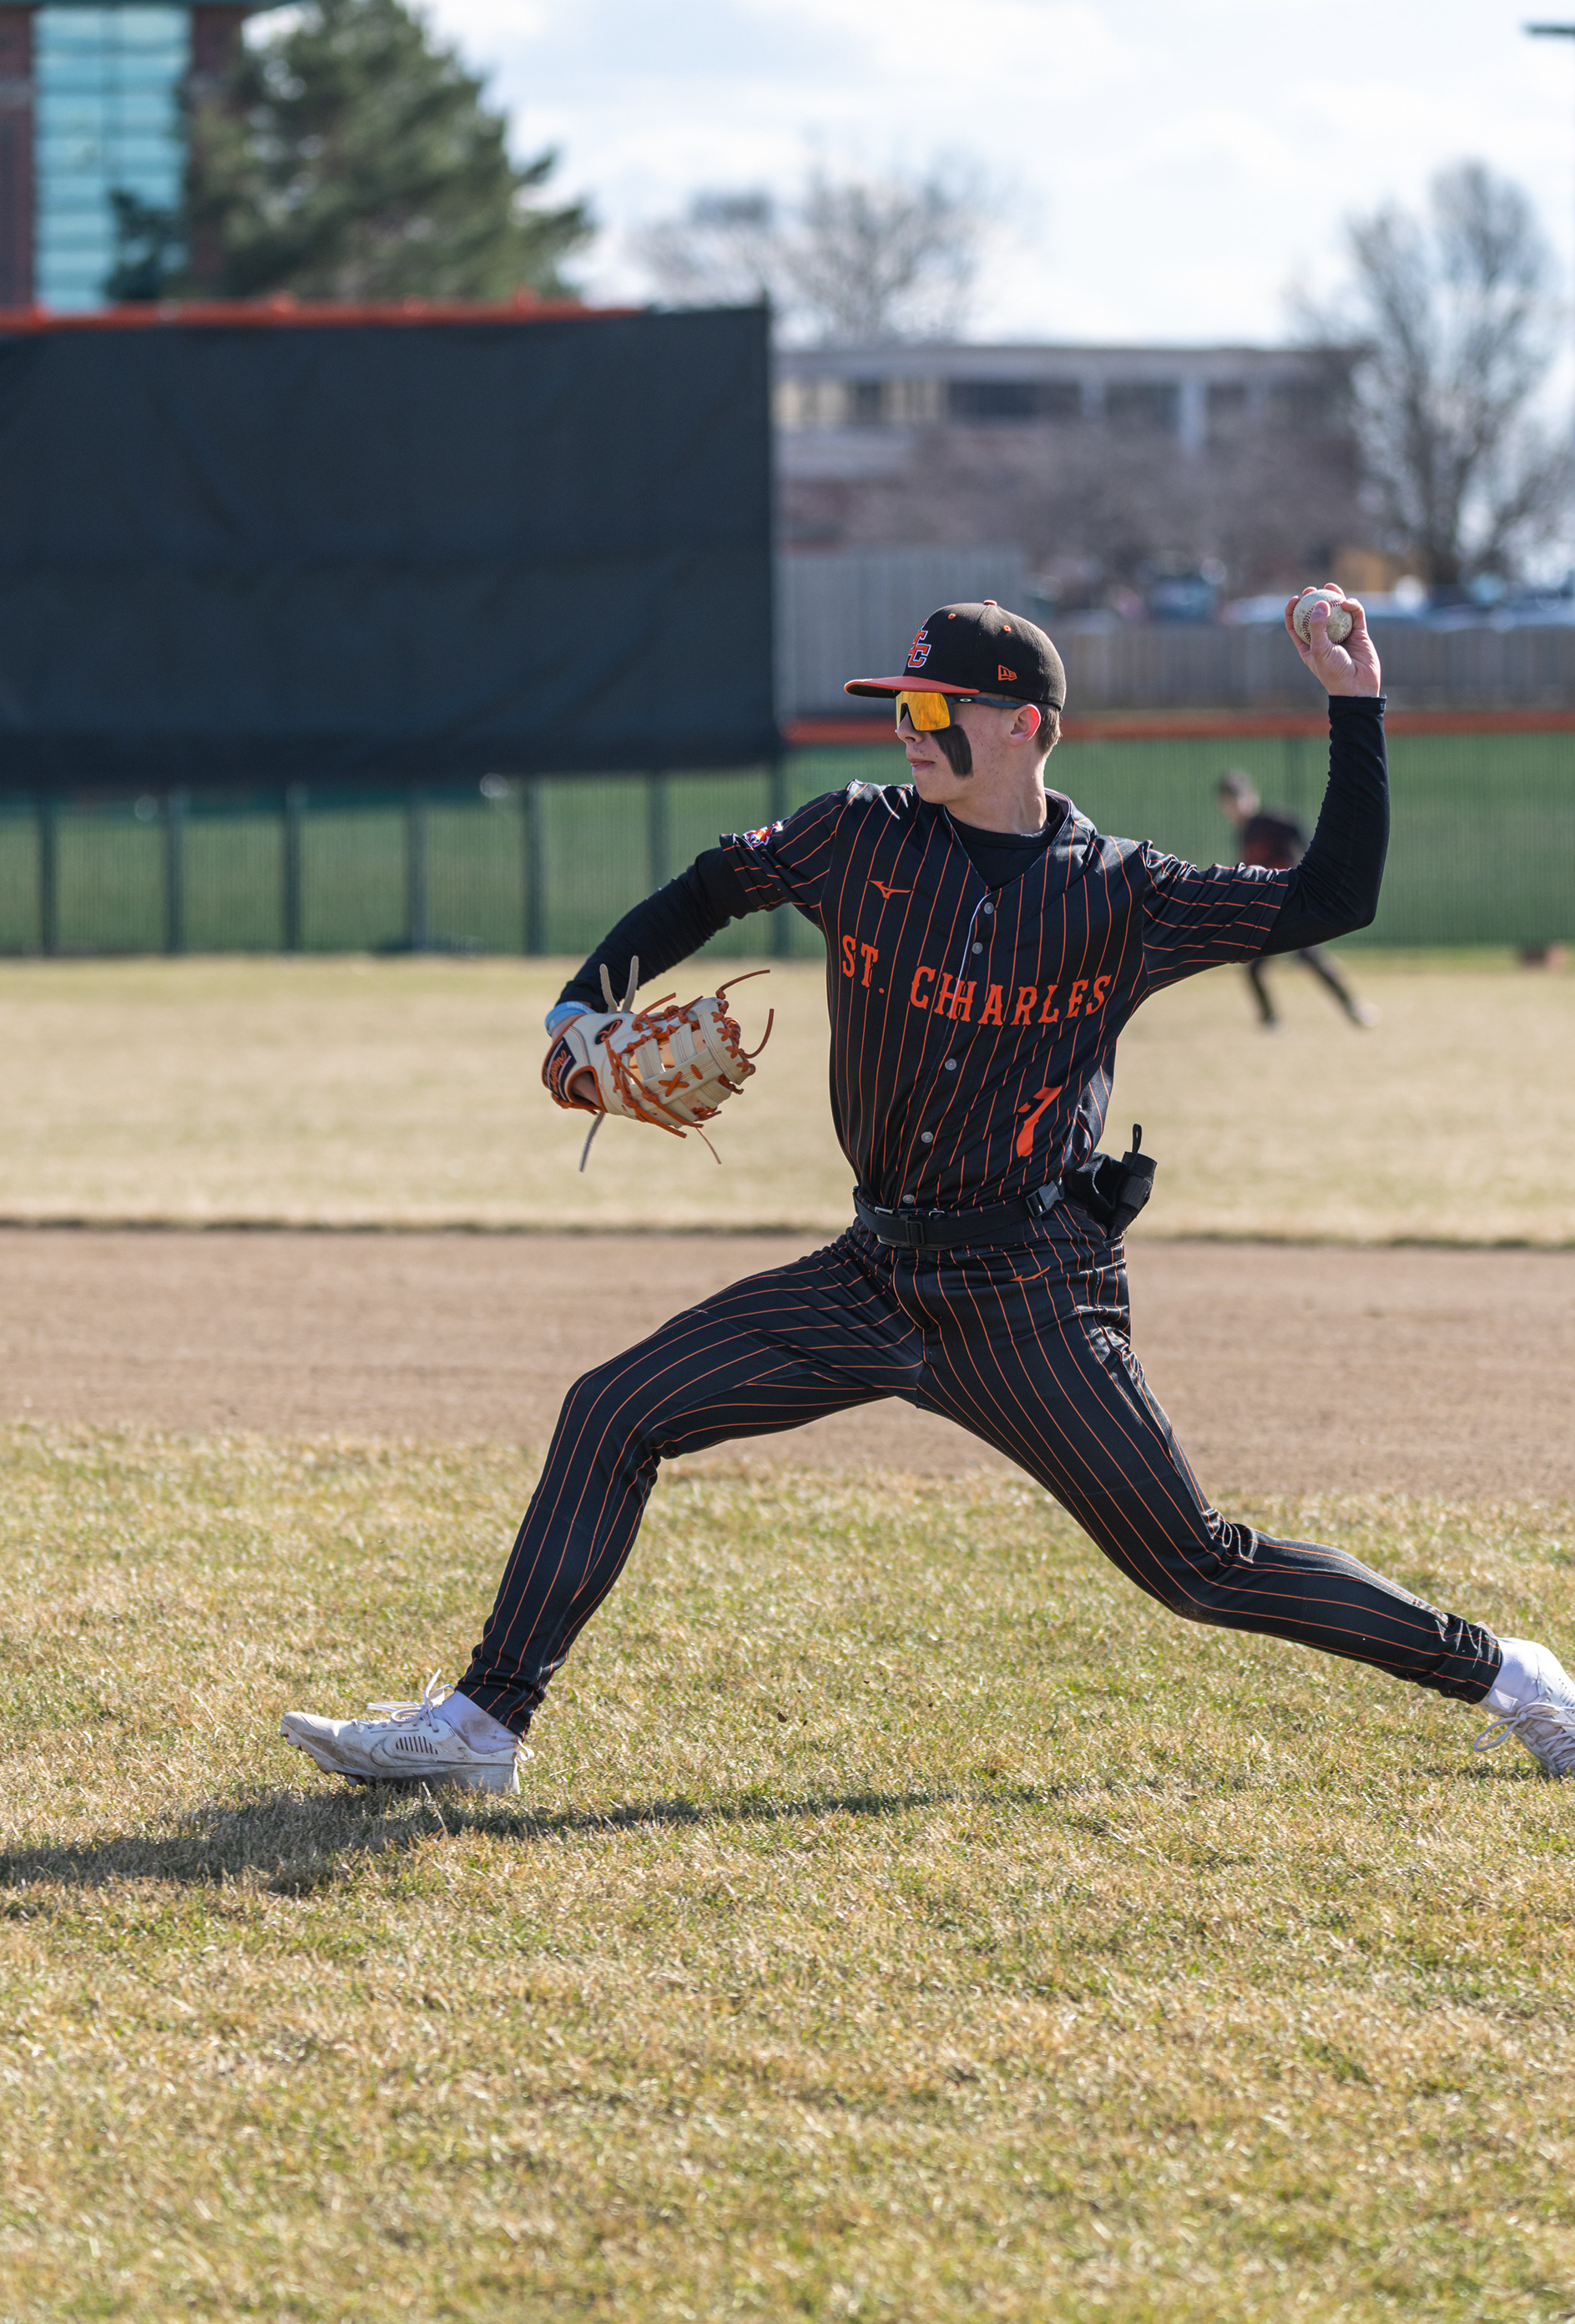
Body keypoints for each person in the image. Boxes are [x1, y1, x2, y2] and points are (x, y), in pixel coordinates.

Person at [280, 587, 1575, 1788]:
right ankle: (486, 1721)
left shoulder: (1125, 894)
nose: (906, 727)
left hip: (1031, 1295)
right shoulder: (857, 834)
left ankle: (1514, 1673)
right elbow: (712, 887)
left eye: (931, 706)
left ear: (1022, 725)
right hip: (871, 1275)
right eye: (898, 705)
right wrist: (583, 1004)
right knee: (613, 1407)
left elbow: (1334, 896)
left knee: (1199, 1566)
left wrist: (1356, 702)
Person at [1214, 770, 1377, 1028]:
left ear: (1252, 796)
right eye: (1229, 801)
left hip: (1293, 901)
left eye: (1238, 798)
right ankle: (1270, 1020)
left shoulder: (1274, 822)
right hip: (1268, 908)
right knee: (1254, 966)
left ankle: (1353, 1006)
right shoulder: (1243, 833)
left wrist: (1309, 876)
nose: (1235, 806)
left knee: (1309, 957)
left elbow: (1305, 841)